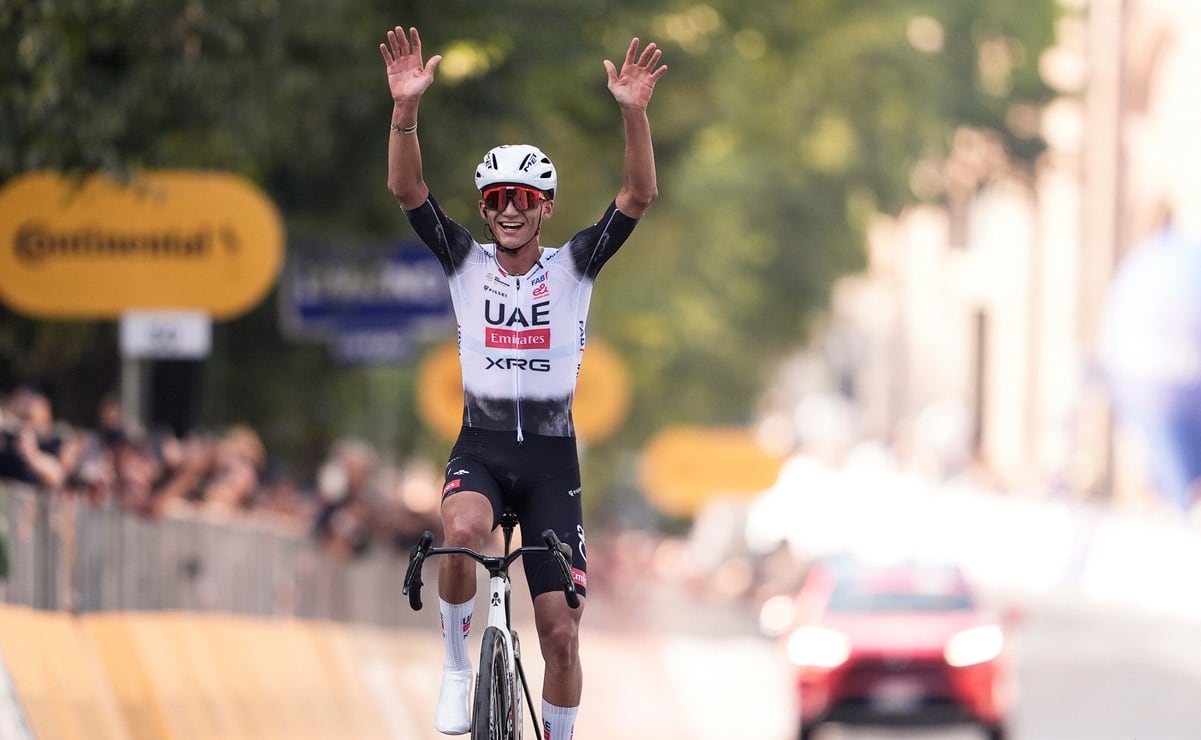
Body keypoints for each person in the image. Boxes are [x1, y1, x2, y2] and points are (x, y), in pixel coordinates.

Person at [380, 24, 666, 738]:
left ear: (544, 208)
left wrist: (633, 112)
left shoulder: (573, 265)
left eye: (523, 199)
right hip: (480, 447)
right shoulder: (461, 262)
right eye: (496, 199)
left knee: (560, 634)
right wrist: (405, 111)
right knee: (462, 529)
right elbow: (405, 187)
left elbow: (637, 193)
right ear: (484, 209)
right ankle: (455, 664)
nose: (509, 209)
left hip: (549, 466)